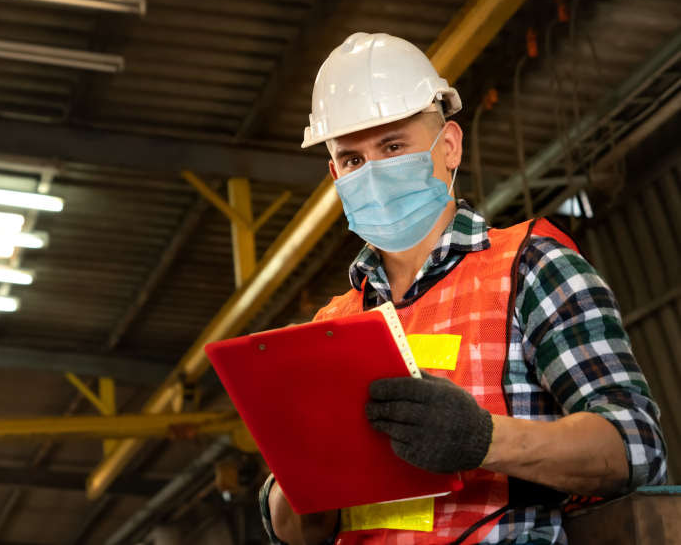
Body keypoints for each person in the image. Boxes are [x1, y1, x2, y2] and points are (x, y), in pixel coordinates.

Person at [257, 33, 667, 545]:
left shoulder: (529, 266)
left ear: (448, 146)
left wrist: (484, 440)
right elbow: (298, 532)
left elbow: (636, 445)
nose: (375, 174)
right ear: (334, 173)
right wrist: (296, 469)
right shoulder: (328, 329)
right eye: (353, 160)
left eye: (393, 146)